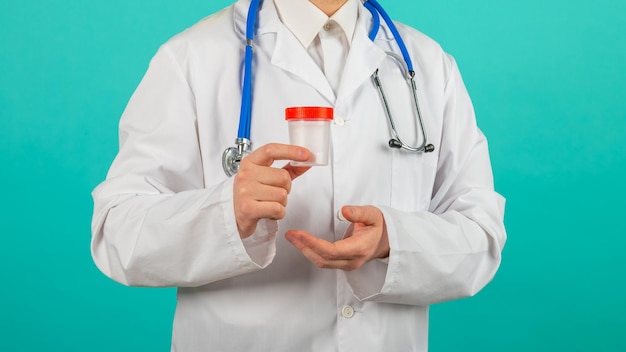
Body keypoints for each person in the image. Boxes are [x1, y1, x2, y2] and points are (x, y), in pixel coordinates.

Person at [91, 0, 507, 350]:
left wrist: (391, 241)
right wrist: (224, 214)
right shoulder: (191, 58)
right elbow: (117, 234)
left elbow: (481, 237)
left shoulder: (429, 65)